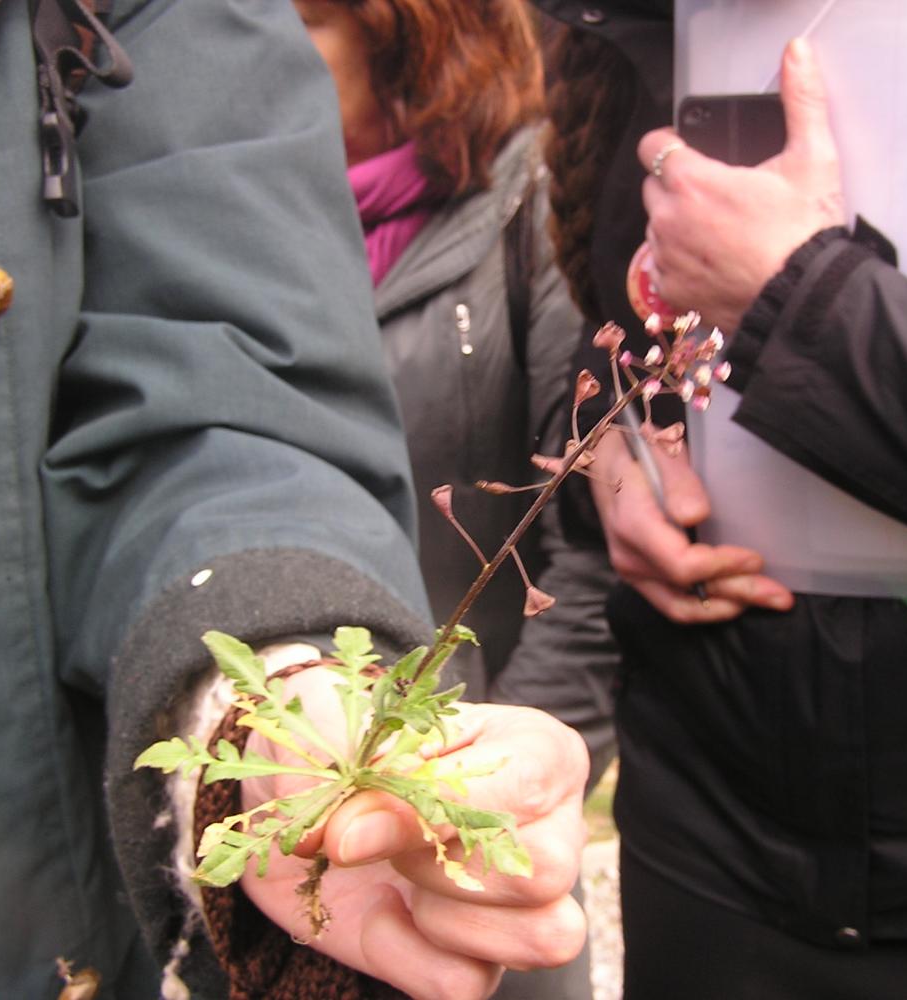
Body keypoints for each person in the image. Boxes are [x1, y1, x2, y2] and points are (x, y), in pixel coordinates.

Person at [0, 1, 588, 997]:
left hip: (405, 662)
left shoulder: (504, 210)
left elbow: (222, 388)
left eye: (318, 35)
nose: (300, 70)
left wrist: (277, 662)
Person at [569, 4, 907, 997]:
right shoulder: (663, 26)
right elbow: (618, 342)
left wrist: (803, 301)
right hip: (706, 847)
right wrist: (610, 460)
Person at [289, 3, 620, 995]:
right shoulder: (225, 240)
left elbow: (593, 550)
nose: (253, 44)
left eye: (298, 16)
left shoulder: (532, 199)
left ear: (408, 31)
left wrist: (481, 799)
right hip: (288, 829)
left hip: (469, 851)